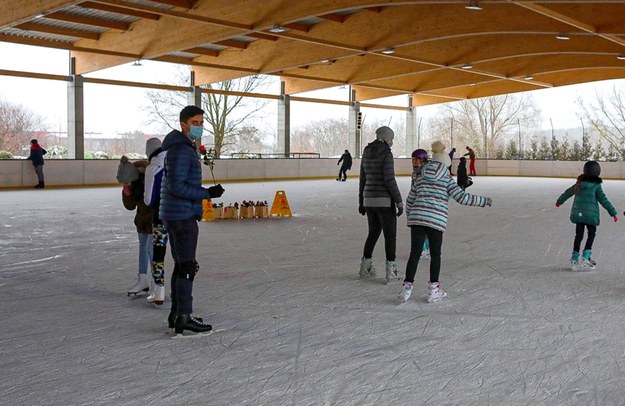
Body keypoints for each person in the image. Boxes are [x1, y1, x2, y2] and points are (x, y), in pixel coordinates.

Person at [160, 105, 225, 336]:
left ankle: (177, 314)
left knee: (182, 264)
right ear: (184, 124)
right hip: (181, 215)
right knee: (187, 266)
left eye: (201, 123)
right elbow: (177, 187)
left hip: (176, 213)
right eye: (195, 123)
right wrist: (207, 193)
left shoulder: (182, 148)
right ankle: (184, 316)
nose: (199, 127)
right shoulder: (181, 150)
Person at [399, 148, 492, 304]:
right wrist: (483, 201)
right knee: (435, 255)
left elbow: (410, 200)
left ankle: (406, 289)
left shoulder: (420, 177)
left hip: (417, 218)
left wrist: (411, 218)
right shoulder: (447, 179)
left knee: (414, 254)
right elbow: (461, 197)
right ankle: (433, 290)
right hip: (436, 219)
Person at [358, 126, 403, 284]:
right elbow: (389, 180)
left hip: (369, 199)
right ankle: (391, 270)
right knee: (390, 236)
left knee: (373, 233)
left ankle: (365, 266)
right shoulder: (386, 153)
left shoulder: (367, 151)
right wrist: (398, 200)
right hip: (384, 201)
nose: (392, 142)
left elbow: (362, 178)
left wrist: (361, 201)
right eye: (391, 139)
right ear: (386, 138)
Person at [555, 160, 617, 271]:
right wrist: (613, 212)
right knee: (591, 234)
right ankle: (586, 257)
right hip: (591, 216)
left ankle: (575, 257)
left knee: (578, 235)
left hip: (579, 215)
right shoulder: (596, 186)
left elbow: (568, 192)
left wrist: (559, 201)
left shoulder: (579, 183)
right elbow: (604, 200)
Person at [117, 156, 154, 296]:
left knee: (152, 249)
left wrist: (135, 191)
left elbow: (149, 202)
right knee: (143, 247)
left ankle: (157, 282)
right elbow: (130, 206)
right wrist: (127, 194)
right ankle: (143, 279)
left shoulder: (148, 180)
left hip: (153, 220)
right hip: (141, 221)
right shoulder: (131, 181)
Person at [144, 137, 167, 305]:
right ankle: (180, 288)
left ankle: (159, 291)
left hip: (161, 215)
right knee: (180, 253)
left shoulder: (153, 168)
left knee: (159, 253)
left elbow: (149, 199)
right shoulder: (176, 161)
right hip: (180, 215)